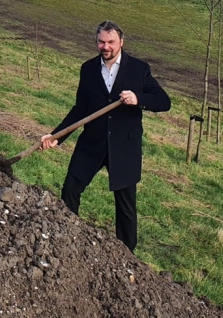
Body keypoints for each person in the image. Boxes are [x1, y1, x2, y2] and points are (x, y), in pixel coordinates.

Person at [39, 20, 170, 252]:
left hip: (124, 146)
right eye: (101, 42)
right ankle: (66, 239)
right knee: (70, 189)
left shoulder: (139, 69)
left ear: (121, 42)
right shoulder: (88, 69)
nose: (105, 47)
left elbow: (164, 102)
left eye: (111, 42)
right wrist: (57, 135)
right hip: (92, 142)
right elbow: (80, 109)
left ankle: (127, 255)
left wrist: (138, 99)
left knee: (126, 204)